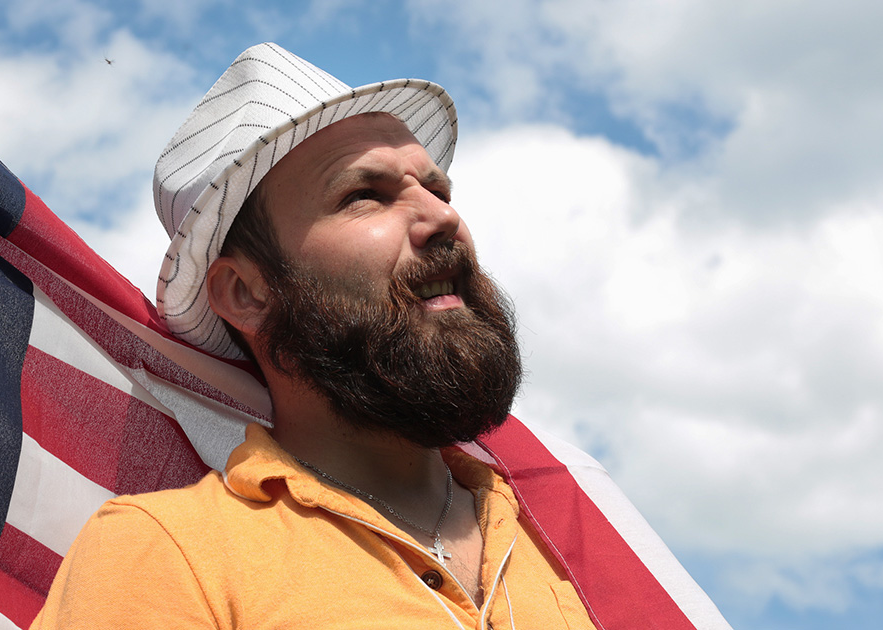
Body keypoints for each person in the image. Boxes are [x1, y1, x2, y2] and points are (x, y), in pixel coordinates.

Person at [33, 42, 595, 629]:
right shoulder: (168, 555)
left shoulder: (560, 544)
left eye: (439, 190)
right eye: (364, 195)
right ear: (247, 294)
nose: (444, 217)